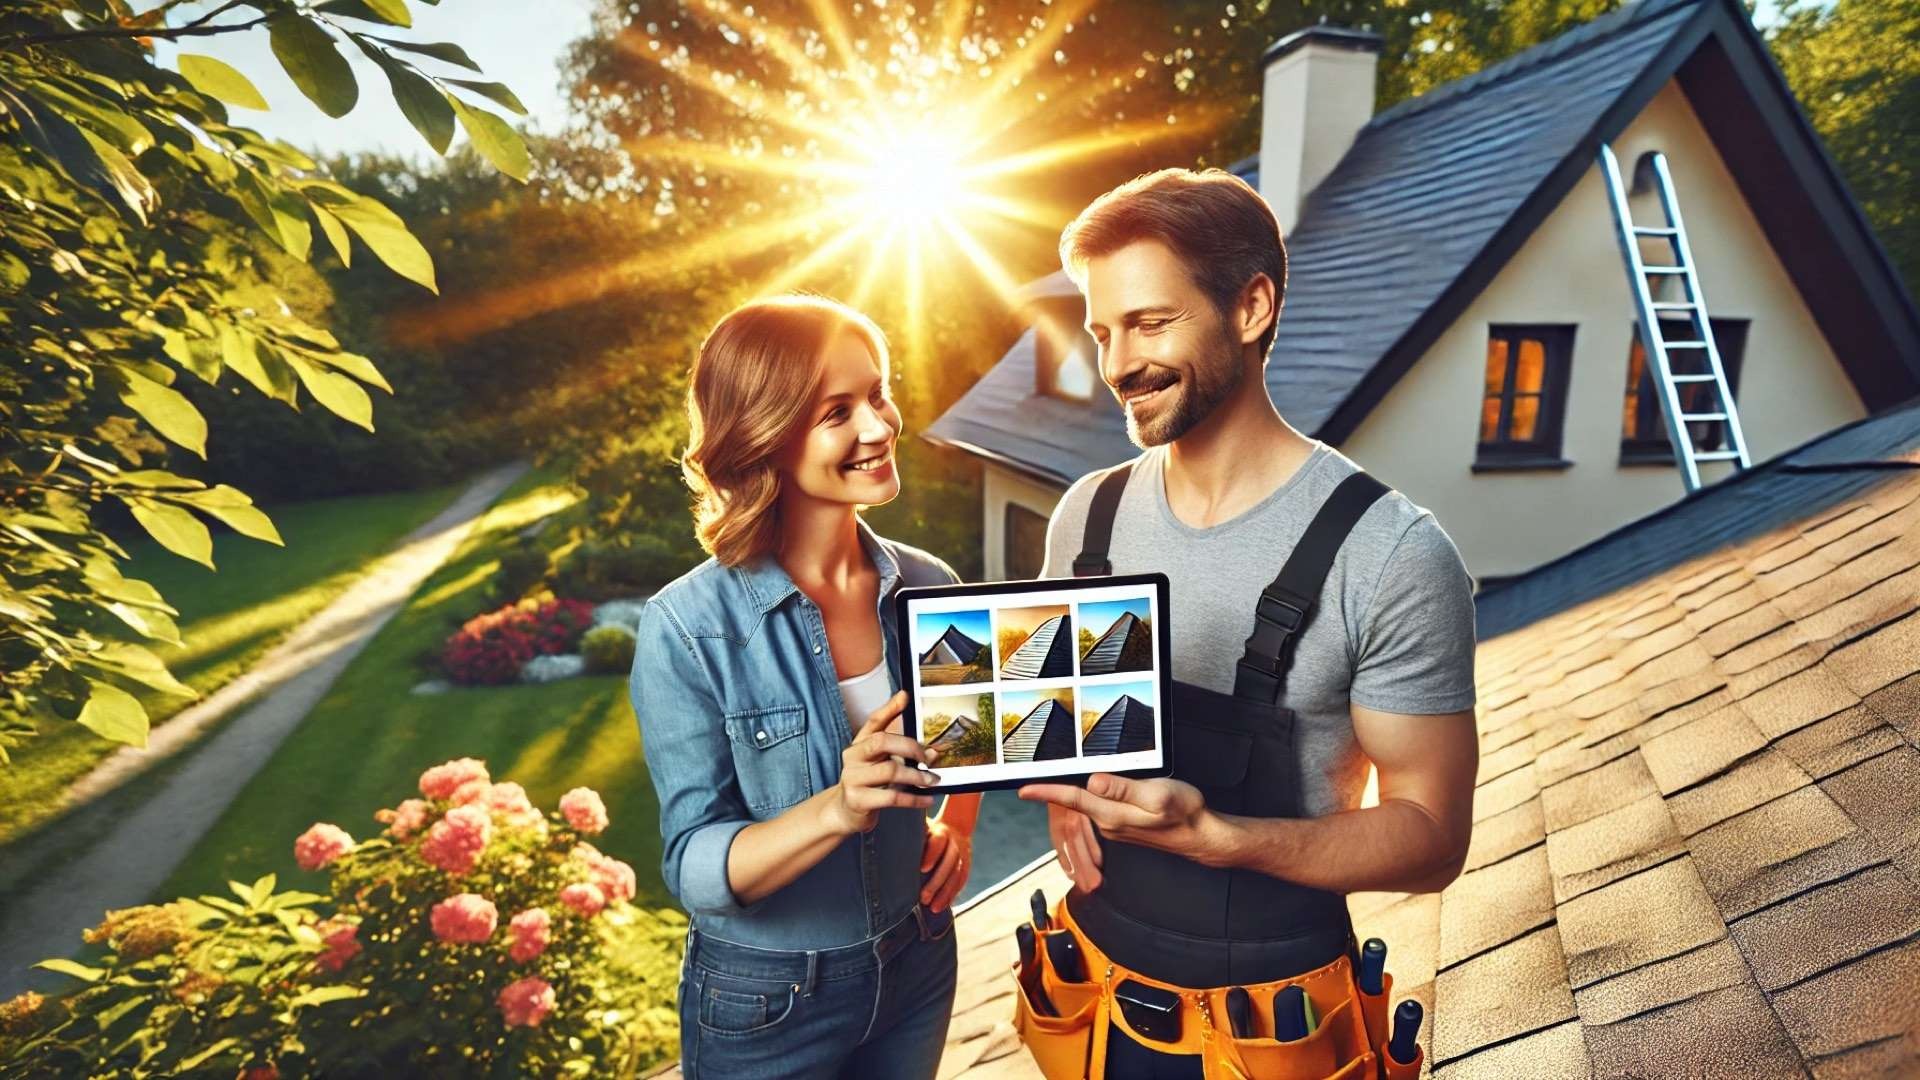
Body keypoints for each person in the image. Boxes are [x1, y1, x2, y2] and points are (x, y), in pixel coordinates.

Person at [1014, 168, 1480, 1077]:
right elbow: (1052, 716)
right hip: (1100, 992)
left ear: (1252, 307)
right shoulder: (1087, 517)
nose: (1116, 366)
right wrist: (1063, 793)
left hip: (1275, 1021)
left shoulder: (1389, 555)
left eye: (1150, 323)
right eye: (1103, 332)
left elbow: (1432, 837)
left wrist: (1223, 839)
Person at [631, 293, 981, 1079]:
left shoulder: (931, 586)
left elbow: (973, 739)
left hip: (919, 959)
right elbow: (695, 870)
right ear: (765, 434)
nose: (880, 426)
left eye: (879, 394)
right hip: (766, 1003)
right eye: (837, 411)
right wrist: (838, 808)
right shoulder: (687, 627)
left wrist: (957, 825)